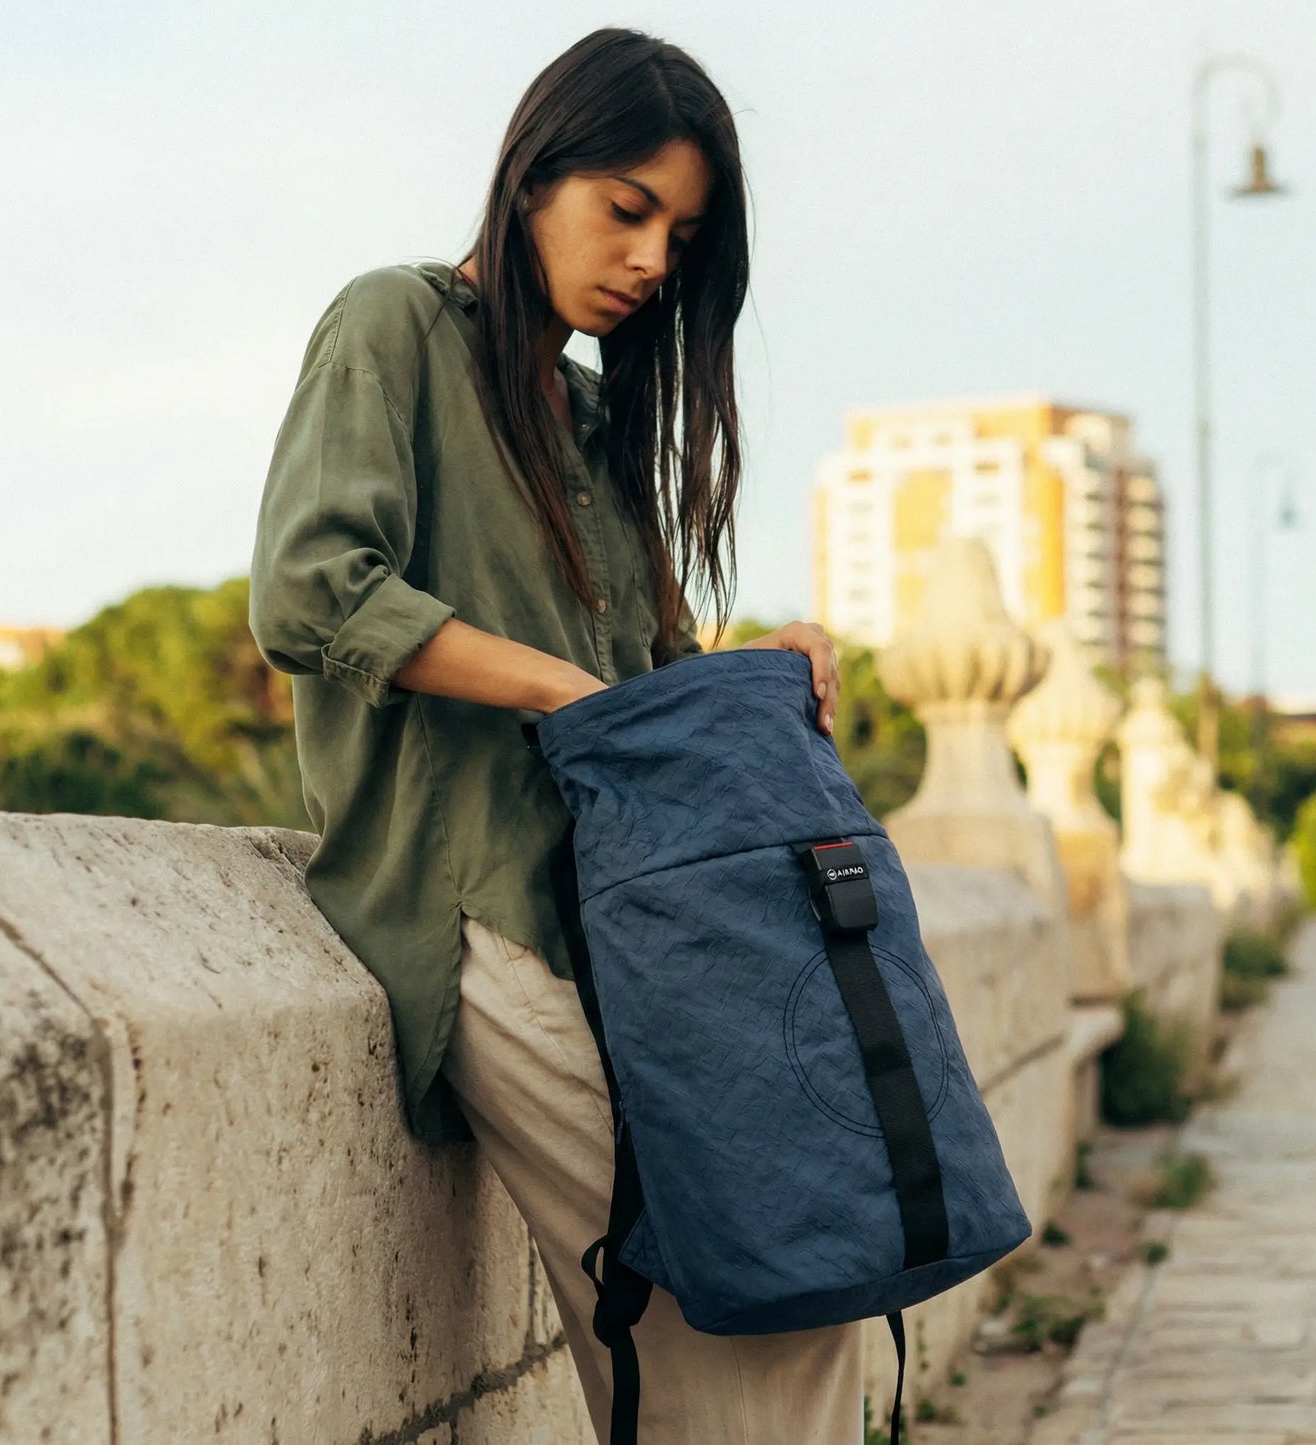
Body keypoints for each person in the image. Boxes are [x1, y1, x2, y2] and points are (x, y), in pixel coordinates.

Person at [249, 26, 862, 1443]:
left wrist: (748, 660)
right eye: (627, 208)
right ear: (532, 179)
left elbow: (640, 681)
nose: (653, 261)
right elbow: (307, 589)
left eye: (681, 232)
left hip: (634, 920)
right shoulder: (391, 325)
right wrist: (552, 687)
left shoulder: (590, 416)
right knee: (708, 1301)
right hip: (475, 912)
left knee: (799, 1275)